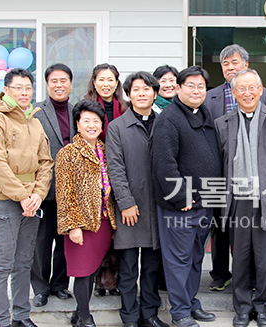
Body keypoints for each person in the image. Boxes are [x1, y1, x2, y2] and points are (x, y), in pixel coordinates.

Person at [214, 68, 266, 327]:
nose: (247, 93)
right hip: (237, 200)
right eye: (242, 89)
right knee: (240, 258)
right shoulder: (223, 123)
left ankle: (262, 306)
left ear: (261, 91)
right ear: (234, 93)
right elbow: (221, 162)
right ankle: (242, 307)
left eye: (253, 88)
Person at [0, 68, 53, 327]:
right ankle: (0, 319)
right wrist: (22, 195)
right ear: (6, 90)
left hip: (31, 202)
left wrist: (37, 194)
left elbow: (46, 162)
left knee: (24, 262)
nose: (24, 92)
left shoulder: (34, 120)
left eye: (28, 88)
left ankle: (21, 316)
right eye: (18, 87)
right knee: (3, 263)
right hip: (4, 201)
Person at [152, 66, 220, 327]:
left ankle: (191, 303)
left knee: (195, 257)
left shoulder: (205, 115)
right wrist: (181, 197)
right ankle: (179, 311)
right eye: (190, 85)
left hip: (205, 203)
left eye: (201, 86)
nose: (196, 90)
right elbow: (164, 163)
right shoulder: (169, 118)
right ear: (178, 88)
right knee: (178, 260)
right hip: (180, 206)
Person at [203, 44, 266, 293]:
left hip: (255, 175)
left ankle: (251, 275)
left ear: (246, 63)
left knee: (251, 229)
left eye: (234, 62)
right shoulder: (209, 97)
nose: (230, 67)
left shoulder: (265, 94)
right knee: (220, 226)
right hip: (221, 172)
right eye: (225, 64)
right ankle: (220, 272)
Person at [106, 71, 169, 327]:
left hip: (157, 207)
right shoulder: (117, 127)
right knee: (129, 267)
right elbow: (115, 168)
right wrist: (126, 202)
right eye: (136, 89)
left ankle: (149, 314)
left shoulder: (164, 122)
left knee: (152, 268)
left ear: (155, 93)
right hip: (131, 208)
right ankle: (130, 317)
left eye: (147, 89)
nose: (141, 94)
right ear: (128, 94)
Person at [56, 99, 118, 327]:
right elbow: (65, 193)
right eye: (87, 121)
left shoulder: (103, 150)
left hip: (103, 222)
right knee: (82, 272)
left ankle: (77, 313)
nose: (92, 125)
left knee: (92, 271)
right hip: (82, 225)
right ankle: (85, 317)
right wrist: (73, 226)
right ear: (77, 124)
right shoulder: (68, 153)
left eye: (96, 121)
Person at [31, 63, 75, 308]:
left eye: (63, 80)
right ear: (47, 84)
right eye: (54, 81)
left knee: (65, 240)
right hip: (44, 188)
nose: (59, 85)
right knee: (40, 242)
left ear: (70, 83)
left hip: (69, 190)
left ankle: (60, 285)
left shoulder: (76, 110)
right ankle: (40, 288)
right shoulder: (36, 111)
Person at [84, 63, 128, 142]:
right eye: (101, 80)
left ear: (116, 83)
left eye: (110, 80)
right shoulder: (85, 108)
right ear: (94, 82)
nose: (106, 84)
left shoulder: (126, 109)